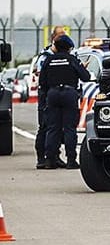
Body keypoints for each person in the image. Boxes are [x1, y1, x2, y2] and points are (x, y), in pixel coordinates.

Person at [39, 35, 91, 170]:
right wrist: (83, 68)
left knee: (52, 128)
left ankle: (50, 160)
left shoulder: (48, 60)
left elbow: (42, 82)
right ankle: (71, 160)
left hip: (52, 94)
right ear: (69, 48)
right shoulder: (72, 60)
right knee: (69, 128)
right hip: (69, 94)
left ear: (55, 47)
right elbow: (86, 77)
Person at [34, 26, 68, 169]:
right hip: (46, 95)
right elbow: (41, 74)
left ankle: (55, 155)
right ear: (53, 38)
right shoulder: (45, 56)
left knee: (57, 127)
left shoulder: (62, 55)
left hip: (57, 95)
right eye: (60, 36)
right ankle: (42, 158)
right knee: (45, 126)